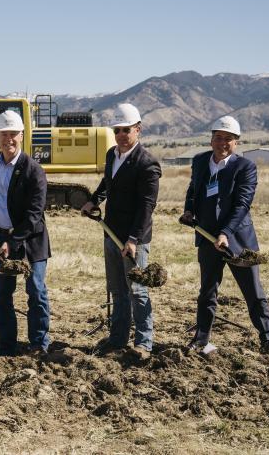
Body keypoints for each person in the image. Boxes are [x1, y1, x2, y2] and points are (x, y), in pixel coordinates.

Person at [180, 115, 269, 355]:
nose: (222, 143)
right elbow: (193, 190)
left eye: (228, 139)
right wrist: (189, 210)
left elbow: (242, 204)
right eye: (218, 138)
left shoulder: (245, 167)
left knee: (253, 291)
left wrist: (225, 233)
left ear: (236, 142)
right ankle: (201, 339)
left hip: (237, 240)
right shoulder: (200, 161)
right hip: (207, 237)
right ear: (211, 139)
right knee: (207, 291)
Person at [81, 103, 161, 360]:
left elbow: (147, 207)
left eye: (126, 130)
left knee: (137, 290)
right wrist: (95, 199)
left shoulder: (147, 164)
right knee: (117, 289)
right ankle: (117, 339)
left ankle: (144, 343)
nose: (121, 135)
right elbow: (107, 182)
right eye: (117, 130)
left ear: (138, 130)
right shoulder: (111, 155)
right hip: (110, 233)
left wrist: (134, 239)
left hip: (132, 239)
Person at [0, 110, 51, 356]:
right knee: (2, 294)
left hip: (29, 241)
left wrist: (12, 241)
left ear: (22, 135)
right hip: (0, 239)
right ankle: (7, 345)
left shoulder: (34, 170)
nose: (9, 139)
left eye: (13, 134)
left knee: (36, 290)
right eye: (4, 134)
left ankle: (38, 344)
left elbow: (34, 214)